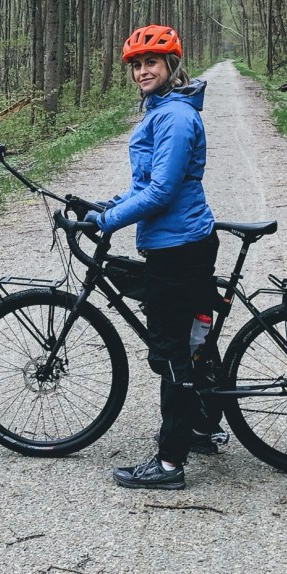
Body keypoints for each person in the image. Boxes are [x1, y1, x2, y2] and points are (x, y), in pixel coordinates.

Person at [84, 24, 224, 490]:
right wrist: (107, 206)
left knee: (173, 354)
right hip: (179, 243)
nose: (143, 70)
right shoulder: (161, 111)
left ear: (172, 68)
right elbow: (145, 184)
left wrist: (107, 223)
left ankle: (168, 464)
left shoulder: (176, 117)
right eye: (137, 65)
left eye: (152, 63)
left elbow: (162, 192)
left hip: (179, 248)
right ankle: (203, 426)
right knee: (195, 340)